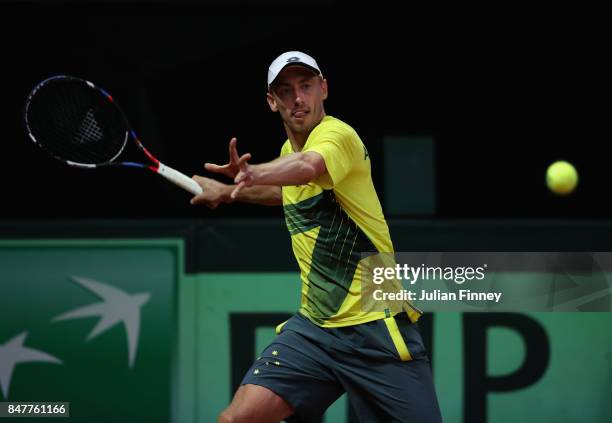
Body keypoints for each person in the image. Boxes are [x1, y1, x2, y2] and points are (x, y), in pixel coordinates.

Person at [191, 51, 442, 423]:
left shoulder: (338, 136)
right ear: (271, 102)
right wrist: (229, 193)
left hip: (376, 330)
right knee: (235, 420)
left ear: (323, 89)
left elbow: (308, 168)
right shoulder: (284, 155)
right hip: (315, 331)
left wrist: (253, 174)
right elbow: (289, 192)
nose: (298, 98)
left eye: (306, 86)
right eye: (286, 90)